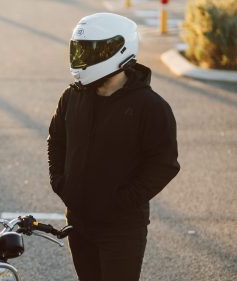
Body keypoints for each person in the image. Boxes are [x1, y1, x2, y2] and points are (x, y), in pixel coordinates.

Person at [47, 13, 180, 281]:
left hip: (121, 228)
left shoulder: (151, 107)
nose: (83, 57)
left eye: (92, 50)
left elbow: (164, 164)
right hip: (78, 220)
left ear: (119, 49)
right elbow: (56, 141)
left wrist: (122, 201)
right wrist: (61, 184)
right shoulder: (72, 97)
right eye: (80, 49)